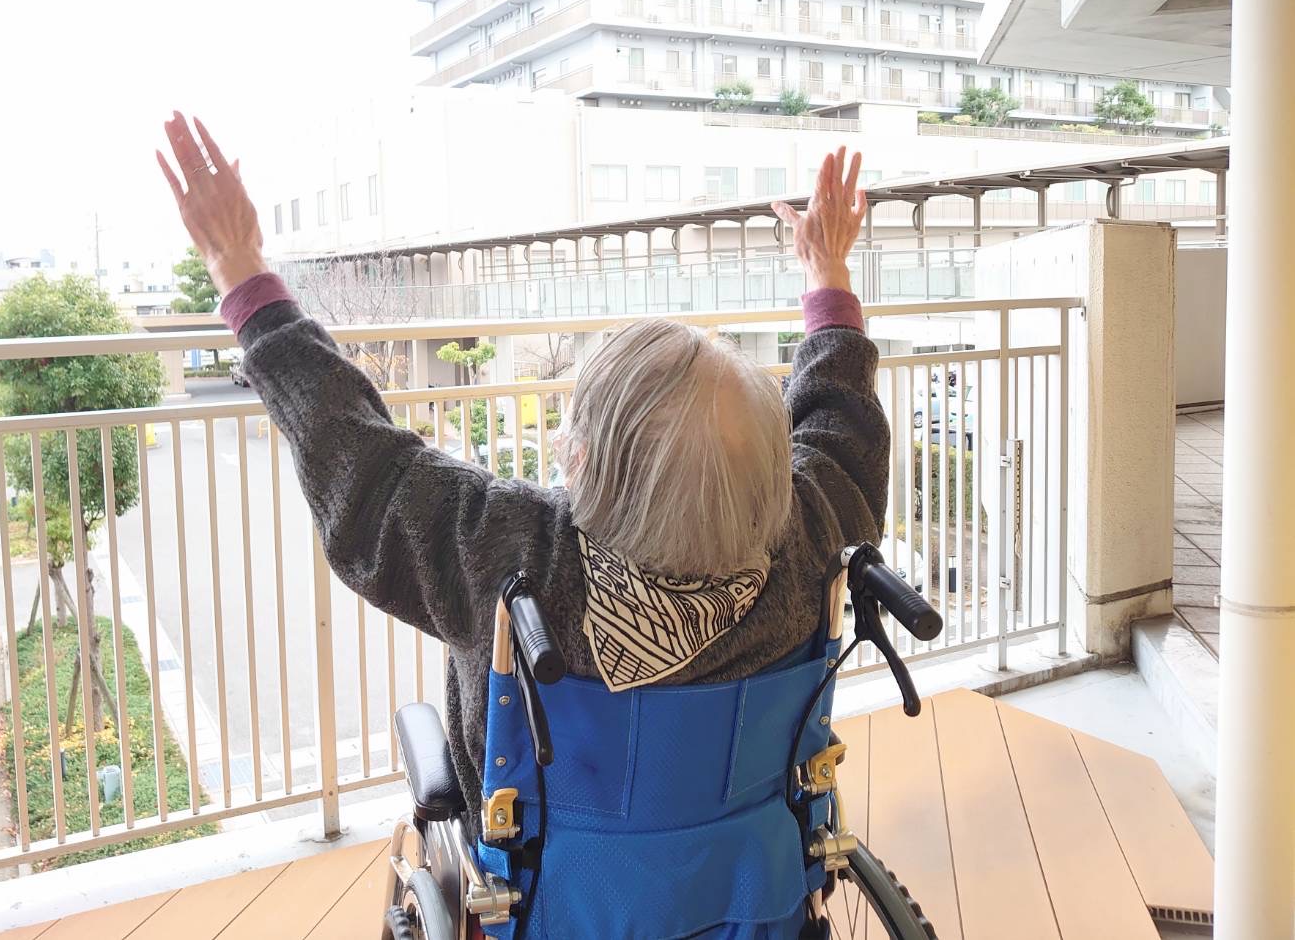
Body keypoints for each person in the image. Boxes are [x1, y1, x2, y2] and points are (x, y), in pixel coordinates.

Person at [156, 113, 889, 823]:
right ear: (768, 475)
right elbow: (840, 419)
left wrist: (240, 267)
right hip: (743, 863)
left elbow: (356, 458)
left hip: (543, 881)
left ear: (583, 460)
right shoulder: (814, 533)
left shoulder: (508, 558)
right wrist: (825, 270)